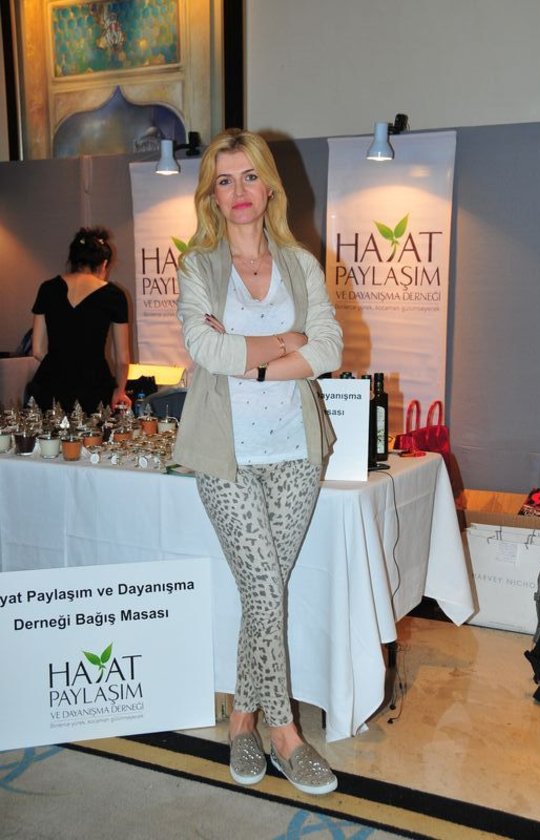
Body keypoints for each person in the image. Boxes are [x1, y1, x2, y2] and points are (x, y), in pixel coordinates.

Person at [173, 129, 343, 795]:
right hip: (226, 455)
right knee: (267, 589)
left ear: (269, 186)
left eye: (249, 177)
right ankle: (285, 732)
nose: (239, 191)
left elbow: (328, 349)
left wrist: (257, 360)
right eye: (225, 180)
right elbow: (204, 350)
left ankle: (240, 718)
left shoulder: (299, 264)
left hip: (298, 452)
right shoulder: (198, 266)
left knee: (262, 592)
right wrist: (285, 340)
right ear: (211, 196)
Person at [28, 226, 132, 414]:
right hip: (94, 386)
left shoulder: (47, 288)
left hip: (51, 385)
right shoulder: (114, 295)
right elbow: (123, 359)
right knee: (93, 432)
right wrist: (120, 391)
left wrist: (64, 364)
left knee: (47, 431)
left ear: (73, 260)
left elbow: (37, 350)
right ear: (104, 263)